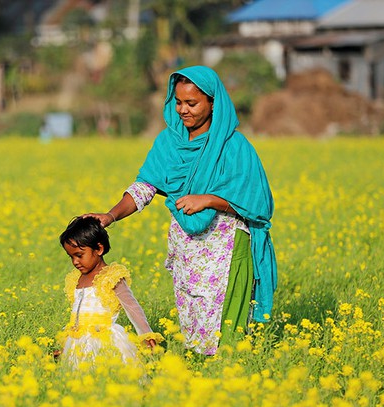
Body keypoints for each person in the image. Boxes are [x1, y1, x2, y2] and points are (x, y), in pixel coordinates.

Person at [85, 65, 276, 356]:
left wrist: (209, 199)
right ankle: (198, 374)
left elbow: (256, 203)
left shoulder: (234, 147)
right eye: (178, 102)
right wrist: (110, 215)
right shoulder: (168, 143)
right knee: (192, 316)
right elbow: (145, 186)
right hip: (186, 248)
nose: (183, 110)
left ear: (213, 103)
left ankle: (228, 375)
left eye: (192, 103)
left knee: (224, 322)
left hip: (224, 249)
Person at [57, 217, 162, 368]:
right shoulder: (76, 279)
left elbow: (132, 307)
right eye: (71, 257)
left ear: (99, 249)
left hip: (104, 340)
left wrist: (146, 334)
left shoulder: (111, 277)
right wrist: (64, 346)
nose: (75, 262)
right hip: (77, 342)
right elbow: (76, 316)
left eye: (79, 255)